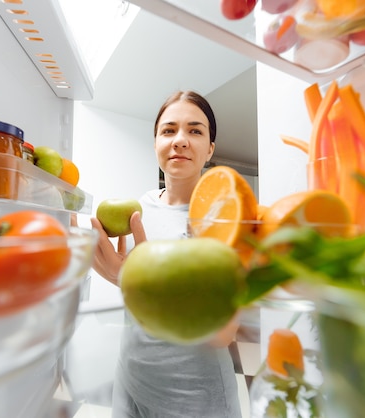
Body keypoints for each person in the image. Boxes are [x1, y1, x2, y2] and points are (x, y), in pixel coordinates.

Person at [89, 90, 242, 418]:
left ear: (211, 148)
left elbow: (223, 332)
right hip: (131, 380)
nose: (181, 140)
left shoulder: (226, 220)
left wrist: (135, 282)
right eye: (169, 130)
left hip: (196, 394)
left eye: (196, 130)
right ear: (156, 141)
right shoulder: (136, 211)